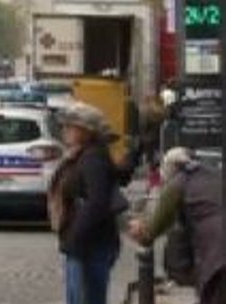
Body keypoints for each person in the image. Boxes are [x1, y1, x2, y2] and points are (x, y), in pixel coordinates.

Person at [128, 147, 226, 304]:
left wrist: (138, 227)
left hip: (217, 259)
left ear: (169, 168)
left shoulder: (177, 184)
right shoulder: (215, 175)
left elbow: (150, 232)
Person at [47, 102, 122, 304]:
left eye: (70, 126)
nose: (65, 130)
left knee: (85, 299)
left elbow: (96, 202)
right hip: (85, 242)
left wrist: (74, 237)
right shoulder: (80, 155)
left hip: (90, 244)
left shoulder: (93, 159)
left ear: (86, 131)